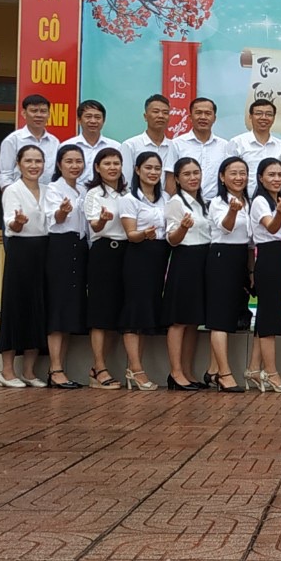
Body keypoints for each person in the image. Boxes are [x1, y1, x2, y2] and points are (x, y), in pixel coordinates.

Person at [0, 145, 49, 386]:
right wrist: (18, 222)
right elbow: (12, 225)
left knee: (38, 307)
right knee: (15, 307)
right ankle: (7, 372)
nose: (34, 166)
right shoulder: (12, 190)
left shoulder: (48, 190)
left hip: (44, 250)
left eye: (38, 161)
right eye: (28, 161)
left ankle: (29, 372)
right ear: (18, 164)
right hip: (20, 251)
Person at [117, 150, 170, 391]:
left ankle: (134, 367)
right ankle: (136, 369)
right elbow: (131, 234)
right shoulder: (129, 198)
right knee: (135, 311)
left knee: (147, 311)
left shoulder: (165, 198)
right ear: (137, 170)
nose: (153, 172)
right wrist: (144, 234)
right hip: (139, 255)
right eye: (148, 168)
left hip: (160, 256)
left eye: (157, 168)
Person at [83, 147, 130, 390]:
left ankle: (100, 367)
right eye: (107, 163)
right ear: (97, 168)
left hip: (127, 253)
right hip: (104, 252)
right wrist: (102, 219)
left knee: (116, 315)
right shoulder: (94, 194)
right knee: (100, 314)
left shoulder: (128, 193)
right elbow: (95, 226)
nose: (113, 167)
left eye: (116, 163)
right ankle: (99, 368)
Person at [162, 157, 210, 391]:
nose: (193, 178)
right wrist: (183, 227)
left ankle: (188, 372)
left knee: (193, 321)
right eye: (187, 174)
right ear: (177, 179)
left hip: (203, 260)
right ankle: (175, 372)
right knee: (179, 320)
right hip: (185, 260)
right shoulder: (176, 202)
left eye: (196, 173)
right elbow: (171, 239)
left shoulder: (203, 203)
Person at [204, 156, 252, 392]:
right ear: (222, 177)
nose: (239, 177)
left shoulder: (249, 202)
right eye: (233, 173)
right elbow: (226, 227)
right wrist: (232, 211)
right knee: (220, 319)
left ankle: (213, 370)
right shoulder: (217, 203)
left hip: (241, 258)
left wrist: (251, 270)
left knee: (231, 316)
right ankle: (224, 374)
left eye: (243, 173)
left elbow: (250, 242)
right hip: (222, 257)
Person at [42, 144, 88, 389]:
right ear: (59, 164)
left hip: (80, 248)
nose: (74, 166)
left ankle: (61, 368)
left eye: (78, 161)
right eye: (69, 161)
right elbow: (55, 219)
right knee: (58, 307)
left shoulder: (83, 189)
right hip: (60, 247)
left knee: (70, 310)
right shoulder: (53, 189)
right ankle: (55, 368)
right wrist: (62, 211)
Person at [245, 157, 281, 392]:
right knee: (269, 318)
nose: (276, 179)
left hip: (280, 257)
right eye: (271, 175)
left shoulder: (278, 200)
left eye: (280, 174)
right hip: (268, 257)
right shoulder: (260, 201)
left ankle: (254, 368)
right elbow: (272, 227)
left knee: (268, 315)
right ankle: (271, 373)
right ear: (261, 178)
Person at [170, 97, 230, 204]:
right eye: (198, 113)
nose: (203, 117)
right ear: (190, 117)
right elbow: (170, 179)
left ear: (214, 118)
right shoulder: (176, 144)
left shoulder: (224, 146)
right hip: (186, 204)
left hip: (216, 205)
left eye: (208, 113)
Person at [0, 93, 59, 189]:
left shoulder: (54, 142)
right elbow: (6, 174)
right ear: (24, 113)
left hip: (47, 194)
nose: (39, 115)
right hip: (20, 193)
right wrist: (10, 195)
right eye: (34, 111)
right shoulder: (13, 140)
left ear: (48, 114)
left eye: (43, 111)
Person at [120, 94, 176, 193]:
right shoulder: (130, 145)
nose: (161, 116)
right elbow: (125, 182)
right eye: (155, 112)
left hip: (166, 200)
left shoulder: (174, 146)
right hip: (136, 199)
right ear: (145, 117)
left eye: (165, 112)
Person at [229, 98, 281, 195]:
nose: (263, 117)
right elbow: (229, 173)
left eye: (269, 114)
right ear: (250, 117)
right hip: (243, 199)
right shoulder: (237, 142)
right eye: (258, 113)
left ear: (273, 118)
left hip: (272, 199)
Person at [63, 99, 120, 177]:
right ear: (79, 120)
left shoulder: (115, 147)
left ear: (103, 121)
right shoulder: (67, 146)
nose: (93, 121)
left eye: (97, 117)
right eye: (88, 117)